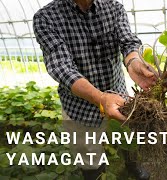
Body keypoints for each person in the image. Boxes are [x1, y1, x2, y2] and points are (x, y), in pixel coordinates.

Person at [33, 0, 156, 179]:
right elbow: (62, 66)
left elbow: (128, 41)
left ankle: (132, 166)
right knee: (88, 154)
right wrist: (99, 98)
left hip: (119, 94)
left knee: (127, 136)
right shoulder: (46, 18)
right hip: (79, 107)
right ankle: (95, 174)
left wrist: (134, 62)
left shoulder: (113, 6)